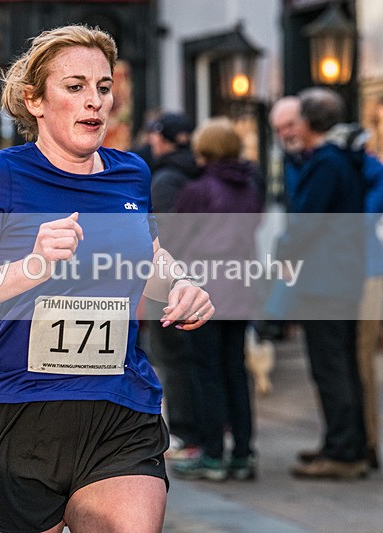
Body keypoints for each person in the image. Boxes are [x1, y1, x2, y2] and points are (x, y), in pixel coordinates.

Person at [0, 24, 213, 532]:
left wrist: (181, 286)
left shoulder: (131, 173)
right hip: (17, 413)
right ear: (36, 101)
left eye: (103, 86)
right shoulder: (0, 177)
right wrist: (32, 266)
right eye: (74, 87)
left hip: (119, 408)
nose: (94, 101)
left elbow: (150, 257)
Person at [270, 94, 383, 472]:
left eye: (293, 124)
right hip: (341, 275)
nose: (288, 133)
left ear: (308, 123)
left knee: (333, 366)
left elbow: (306, 222)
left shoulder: (326, 162)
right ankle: (346, 444)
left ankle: (345, 451)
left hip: (327, 279)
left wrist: (282, 253)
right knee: (340, 364)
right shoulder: (336, 159)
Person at [165, 118, 264, 481]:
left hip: (203, 291)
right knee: (236, 371)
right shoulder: (250, 188)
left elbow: (173, 240)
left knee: (206, 374)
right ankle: (243, 454)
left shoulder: (198, 189)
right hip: (241, 288)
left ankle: (212, 456)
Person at [143, 111, 204, 461]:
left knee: (173, 357)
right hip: (201, 275)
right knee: (196, 358)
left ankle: (184, 432)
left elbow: (160, 239)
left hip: (172, 281)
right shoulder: (198, 170)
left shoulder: (165, 178)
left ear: (162, 139)